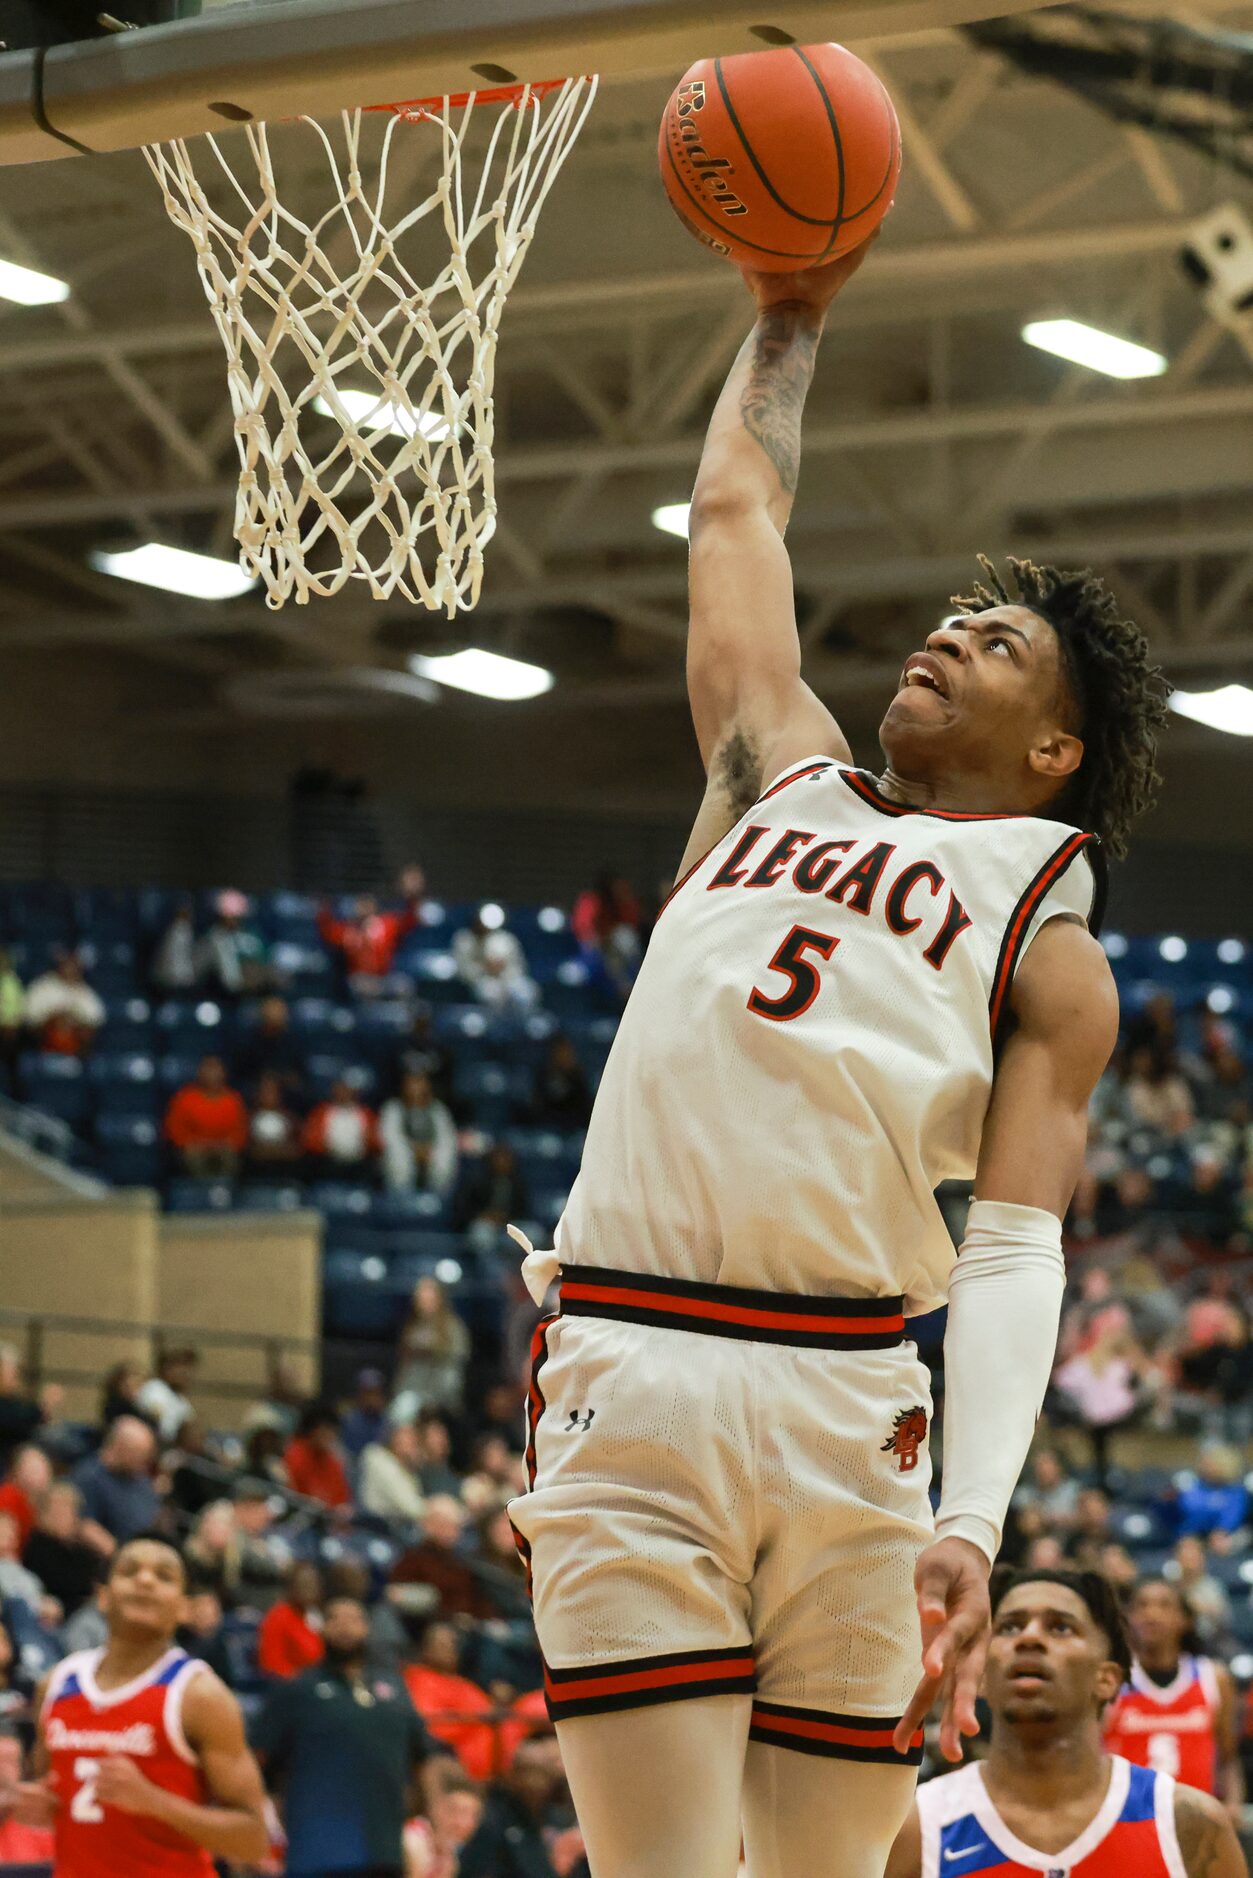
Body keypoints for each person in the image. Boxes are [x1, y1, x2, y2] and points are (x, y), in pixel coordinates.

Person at [504, 235, 1169, 1878]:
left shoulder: (1051, 952)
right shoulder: (770, 766)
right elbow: (736, 514)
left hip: (846, 1395)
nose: (943, 638)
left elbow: (1013, 1243)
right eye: (949, 618)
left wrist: (966, 1521)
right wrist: (784, 311)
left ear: (1052, 750)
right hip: (634, 1366)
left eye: (995, 644)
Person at [886, 1567, 1246, 1878]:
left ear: (1107, 1679)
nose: (1029, 1637)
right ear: (979, 1675)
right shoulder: (917, 1826)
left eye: (1060, 1627)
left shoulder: (1193, 1824)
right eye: (1010, 1627)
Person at [9, 1532, 269, 1873]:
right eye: (129, 1571)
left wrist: (154, 1802)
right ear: (102, 1596)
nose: (144, 1580)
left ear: (184, 1608)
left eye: (164, 1576)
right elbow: (49, 1794)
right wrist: (37, 1807)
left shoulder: (199, 1696)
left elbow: (253, 1840)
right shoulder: (57, 1684)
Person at [252, 1592, 446, 1878]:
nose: (345, 1626)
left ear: (367, 1627)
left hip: (383, 1848)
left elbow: (424, 1759)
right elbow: (256, 1762)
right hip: (315, 1851)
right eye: (335, 1619)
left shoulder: (394, 1688)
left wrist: (438, 1828)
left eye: (354, 1619)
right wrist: (258, 1834)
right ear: (321, 1628)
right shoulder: (296, 1690)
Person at [1104, 1577, 1242, 1805]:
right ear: (1128, 1618)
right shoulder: (1112, 1680)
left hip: (1196, 1823)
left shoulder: (1213, 1677)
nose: (1151, 1614)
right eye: (1142, 1605)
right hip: (1129, 1822)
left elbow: (1228, 1758)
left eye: (1164, 1605)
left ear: (1185, 1619)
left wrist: (1232, 1805)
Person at [457, 1736, 586, 1878]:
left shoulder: (554, 1815)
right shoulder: (493, 1817)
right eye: (528, 1773)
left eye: (542, 1775)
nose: (535, 1783)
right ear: (513, 1775)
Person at [403, 1621, 497, 1782]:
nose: (448, 1649)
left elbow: (492, 1714)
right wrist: (474, 1720)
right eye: (440, 1644)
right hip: (444, 1765)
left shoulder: (464, 1684)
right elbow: (431, 1723)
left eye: (451, 1643)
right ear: (425, 1649)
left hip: (487, 1777)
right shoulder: (416, 1677)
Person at [318, 870, 425, 998]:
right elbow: (327, 933)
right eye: (360, 904)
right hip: (359, 980)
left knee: (404, 985)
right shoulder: (348, 930)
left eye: (367, 903)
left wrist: (413, 897)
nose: (364, 907)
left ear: (374, 906)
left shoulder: (386, 925)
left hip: (383, 979)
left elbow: (410, 921)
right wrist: (325, 905)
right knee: (360, 986)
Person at [71, 1415, 160, 1552]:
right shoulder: (89, 1476)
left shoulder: (140, 1479)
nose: (145, 1463)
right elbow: (85, 1526)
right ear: (119, 1447)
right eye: (139, 1454)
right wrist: (122, 1556)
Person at [393, 1280, 472, 1421]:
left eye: (429, 1298)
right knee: (400, 1410)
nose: (424, 1303)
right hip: (413, 1391)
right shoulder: (412, 1327)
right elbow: (405, 1367)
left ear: (440, 1299)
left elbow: (456, 1367)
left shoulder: (453, 1328)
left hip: (441, 1395)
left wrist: (432, 1351)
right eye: (421, 1299)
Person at [22, 1482, 101, 1619]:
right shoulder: (36, 1547)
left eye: (68, 1510)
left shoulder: (83, 1551)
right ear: (42, 1514)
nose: (62, 1516)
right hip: (57, 1618)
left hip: (87, 1613)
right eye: (56, 1510)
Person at [163, 1057, 249, 1181]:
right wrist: (190, 1143)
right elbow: (174, 1128)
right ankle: (201, 1194)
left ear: (223, 1073)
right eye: (208, 1068)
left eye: (216, 1068)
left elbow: (240, 1132)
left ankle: (223, 1193)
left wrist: (226, 1144)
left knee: (230, 1159)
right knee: (192, 1158)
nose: (212, 1073)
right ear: (200, 1072)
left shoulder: (233, 1100)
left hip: (223, 1149)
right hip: (194, 1149)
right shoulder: (185, 1098)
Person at [380, 1071, 459, 1197]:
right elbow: (390, 1136)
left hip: (431, 1154)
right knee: (398, 1157)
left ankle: (439, 1199)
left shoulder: (438, 1109)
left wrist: (430, 1151)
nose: (415, 1088)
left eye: (419, 1082)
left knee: (444, 1156)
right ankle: (400, 1199)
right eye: (411, 1082)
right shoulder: (393, 1108)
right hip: (404, 1154)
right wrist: (413, 1150)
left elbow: (446, 1138)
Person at [404, 1768, 484, 1878]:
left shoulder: (451, 1852)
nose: (462, 1822)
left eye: (472, 1814)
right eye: (454, 1810)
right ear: (433, 1808)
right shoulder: (413, 1839)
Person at [23, 950, 105, 1055]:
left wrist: (73, 1020)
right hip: (43, 1044)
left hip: (76, 1047)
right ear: (59, 965)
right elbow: (30, 1019)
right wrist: (54, 1019)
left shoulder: (86, 992)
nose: (71, 969)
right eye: (67, 965)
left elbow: (96, 1020)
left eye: (74, 966)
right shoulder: (42, 986)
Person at [451, 916, 537, 1015]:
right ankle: (495, 1027)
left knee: (526, 991)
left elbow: (519, 966)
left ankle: (525, 1026)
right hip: (481, 981)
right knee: (491, 994)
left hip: (508, 978)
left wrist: (502, 970)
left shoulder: (505, 938)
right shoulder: (463, 939)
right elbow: (463, 970)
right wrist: (485, 968)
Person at [233, 996, 306, 1106]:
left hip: (285, 1096)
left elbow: (301, 1078)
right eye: (270, 1016)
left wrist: (282, 1079)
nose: (275, 1019)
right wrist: (261, 1083)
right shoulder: (248, 1043)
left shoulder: (294, 1044)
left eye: (280, 1014)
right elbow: (238, 1076)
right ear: (262, 1017)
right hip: (254, 1094)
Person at [257, 1561, 324, 1679]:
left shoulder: (314, 1614)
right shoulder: (278, 1617)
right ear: (291, 1587)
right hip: (291, 1687)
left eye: (314, 1584)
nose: (310, 1590)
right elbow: (271, 1665)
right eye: (305, 1585)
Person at [303, 1077, 380, 1179]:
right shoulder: (321, 1112)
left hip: (360, 1163)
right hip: (329, 1162)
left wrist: (368, 1142)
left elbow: (377, 1142)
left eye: (346, 1089)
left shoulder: (365, 1113)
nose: (343, 1093)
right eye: (340, 1088)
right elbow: (310, 1140)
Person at [284, 1405, 353, 1510]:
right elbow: (291, 1496)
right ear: (311, 1430)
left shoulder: (332, 1461)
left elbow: (341, 1499)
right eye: (325, 1430)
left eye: (333, 1431)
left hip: (328, 1520)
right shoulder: (293, 1454)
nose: (330, 1436)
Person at [360, 1422, 427, 1525]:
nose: (412, 1441)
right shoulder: (378, 1458)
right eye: (406, 1435)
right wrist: (437, 1511)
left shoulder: (405, 1466)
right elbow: (410, 1507)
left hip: (400, 1525)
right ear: (392, 1437)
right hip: (378, 1526)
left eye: (414, 1437)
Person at [244, 1071, 304, 1177]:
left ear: (279, 1094)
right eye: (265, 1091)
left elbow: (296, 1149)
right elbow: (246, 1146)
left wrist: (276, 1151)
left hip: (283, 1170)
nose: (268, 1095)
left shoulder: (290, 1119)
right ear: (257, 1094)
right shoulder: (248, 1118)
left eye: (272, 1091)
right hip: (255, 1170)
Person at [528, 1036, 593, 1131]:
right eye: (559, 1052)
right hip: (547, 1127)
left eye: (566, 1052)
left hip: (575, 1126)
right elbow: (536, 1106)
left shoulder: (578, 1077)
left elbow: (585, 1107)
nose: (562, 1056)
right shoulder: (543, 1075)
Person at [137, 1348, 199, 1445]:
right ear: (167, 1369)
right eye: (181, 1368)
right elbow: (157, 1420)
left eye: (189, 1368)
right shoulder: (155, 1388)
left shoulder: (182, 1401)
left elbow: (192, 1427)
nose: (187, 1374)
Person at [0, 1442, 53, 1549]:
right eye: (33, 1468)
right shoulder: (8, 1497)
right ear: (16, 1471)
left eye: (42, 1466)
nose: (40, 1473)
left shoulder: (49, 1501)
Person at [150, 899, 199, 995]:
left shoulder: (184, 929)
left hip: (177, 983)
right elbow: (175, 969)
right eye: (184, 911)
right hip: (169, 984)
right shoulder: (179, 930)